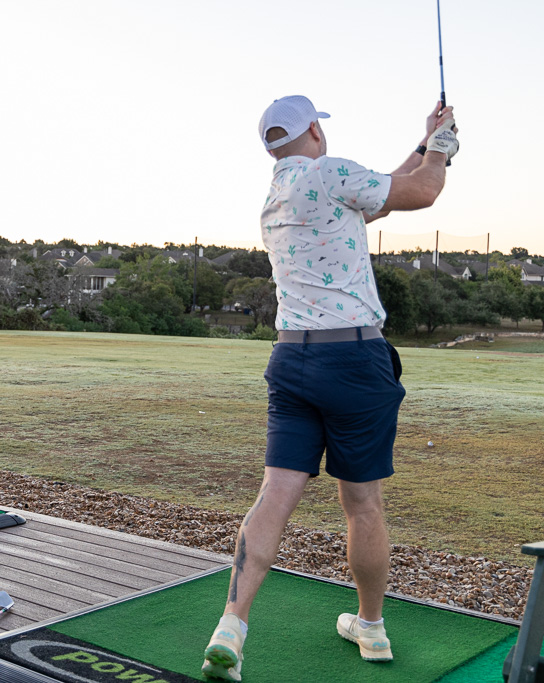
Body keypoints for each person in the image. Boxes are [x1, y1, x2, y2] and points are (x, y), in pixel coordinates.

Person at [201, 96, 459, 681]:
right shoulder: (332, 171)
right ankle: (371, 627)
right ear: (315, 130)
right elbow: (421, 193)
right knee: (362, 504)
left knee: (274, 493)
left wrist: (425, 145)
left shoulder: (276, 197)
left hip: (291, 358)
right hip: (354, 360)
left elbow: (382, 195)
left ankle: (231, 626)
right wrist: (442, 150)